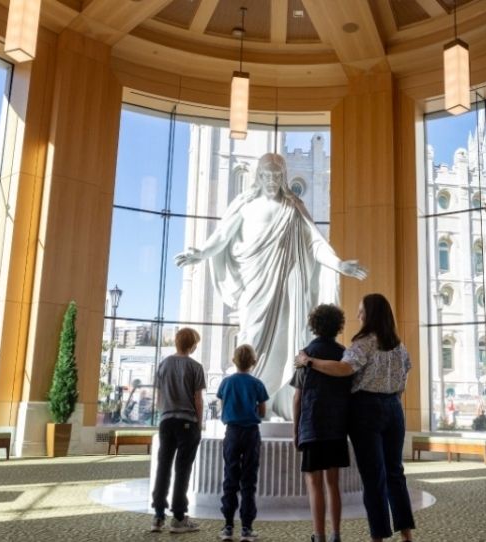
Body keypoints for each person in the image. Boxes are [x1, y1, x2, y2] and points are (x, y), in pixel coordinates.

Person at [175, 153, 367, 419]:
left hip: (288, 288)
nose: (272, 180)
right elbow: (221, 237)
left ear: (283, 177)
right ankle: (251, 404)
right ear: (259, 176)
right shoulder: (245, 205)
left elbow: (315, 242)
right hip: (255, 285)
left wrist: (338, 264)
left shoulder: (293, 207)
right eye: (267, 175)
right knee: (251, 336)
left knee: (285, 343)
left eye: (277, 175)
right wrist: (200, 254)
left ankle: (275, 403)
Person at [295, 293, 415, 542]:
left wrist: (309, 361)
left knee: (373, 477)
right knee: (395, 472)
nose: (358, 315)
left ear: (370, 314)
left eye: (361, 310)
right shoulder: (398, 345)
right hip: (394, 409)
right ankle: (406, 534)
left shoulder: (363, 343)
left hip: (367, 411)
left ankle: (378, 537)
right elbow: (405, 377)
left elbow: (343, 369)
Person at [291, 304, 350, 542]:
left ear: (314, 325)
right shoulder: (344, 353)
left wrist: (296, 430)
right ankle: (336, 534)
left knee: (314, 483)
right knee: (333, 483)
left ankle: (319, 535)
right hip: (337, 426)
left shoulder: (304, 354)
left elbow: (297, 396)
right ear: (338, 326)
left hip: (312, 425)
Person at [150, 328, 206, 534]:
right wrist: (199, 425)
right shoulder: (195, 367)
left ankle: (158, 517)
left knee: (163, 466)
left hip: (166, 421)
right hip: (187, 423)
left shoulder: (163, 364)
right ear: (192, 345)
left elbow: (158, 397)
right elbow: (197, 400)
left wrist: (164, 413)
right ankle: (179, 517)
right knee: (182, 469)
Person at [216, 345, 269, 542]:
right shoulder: (257, 384)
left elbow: (223, 407)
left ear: (234, 360)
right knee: (248, 479)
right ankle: (246, 528)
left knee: (230, 477)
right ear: (253, 362)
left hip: (231, 432)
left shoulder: (226, 383)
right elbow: (263, 412)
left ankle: (228, 526)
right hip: (251, 434)